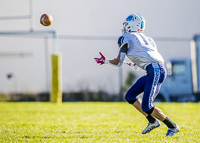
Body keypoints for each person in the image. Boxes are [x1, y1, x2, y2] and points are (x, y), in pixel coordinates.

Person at [94, 14, 180, 136]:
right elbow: (134, 66)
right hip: (154, 70)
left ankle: (172, 126)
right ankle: (152, 121)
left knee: (147, 106)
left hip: (155, 70)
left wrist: (106, 61)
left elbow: (118, 62)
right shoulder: (148, 39)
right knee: (130, 96)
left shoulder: (126, 37)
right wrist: (111, 61)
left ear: (130, 25)